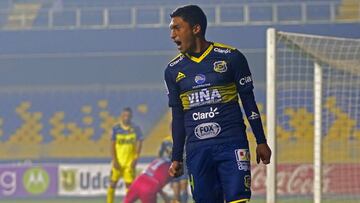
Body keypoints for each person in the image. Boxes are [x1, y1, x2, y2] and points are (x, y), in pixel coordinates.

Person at [164, 5, 272, 203]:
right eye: (171, 29)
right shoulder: (172, 70)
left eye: (177, 28)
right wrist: (177, 157)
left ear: (196, 29)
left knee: (238, 200)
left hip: (231, 144)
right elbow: (177, 117)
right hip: (197, 151)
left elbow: (248, 101)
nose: (172, 35)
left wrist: (261, 140)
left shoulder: (231, 58)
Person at [107, 107, 144, 203]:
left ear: (131, 117)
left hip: (129, 163)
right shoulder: (116, 129)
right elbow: (112, 145)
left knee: (129, 187)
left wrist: (136, 158)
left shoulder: (136, 129)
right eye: (124, 116)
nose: (126, 118)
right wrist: (114, 161)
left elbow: (140, 142)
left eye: (128, 116)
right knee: (112, 184)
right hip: (117, 162)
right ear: (121, 116)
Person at [124, 138, 173, 203]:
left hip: (138, 181)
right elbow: (158, 184)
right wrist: (165, 197)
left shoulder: (157, 160)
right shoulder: (171, 167)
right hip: (150, 187)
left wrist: (163, 195)